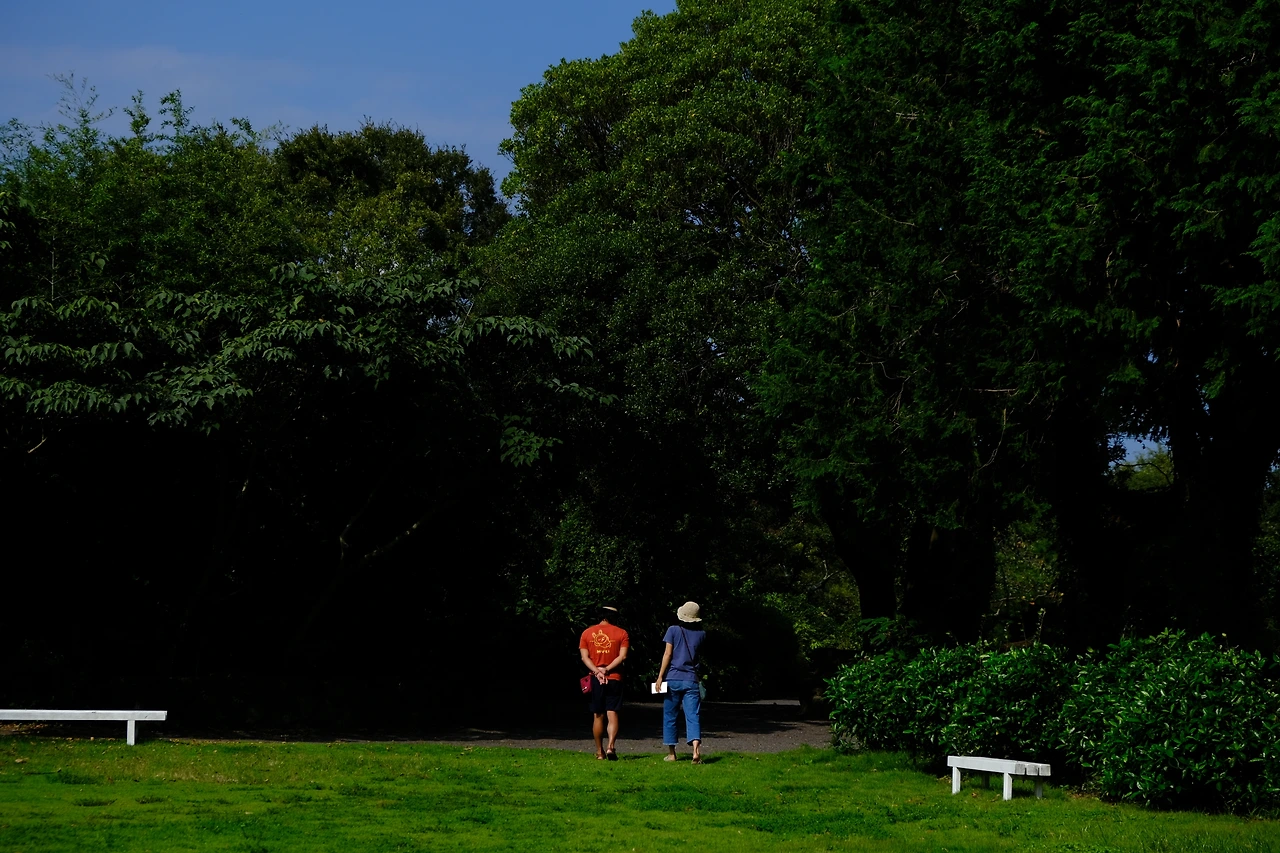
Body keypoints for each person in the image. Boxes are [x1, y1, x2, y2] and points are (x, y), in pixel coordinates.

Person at [654, 601, 706, 763]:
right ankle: (696, 751)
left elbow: (667, 654)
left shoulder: (673, 630)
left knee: (670, 716)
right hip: (691, 679)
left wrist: (660, 676)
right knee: (693, 716)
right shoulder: (701, 634)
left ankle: (672, 754)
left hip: (673, 678)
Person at [579, 604, 629, 760]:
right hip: (614, 678)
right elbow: (622, 656)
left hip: (595, 679)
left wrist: (597, 671)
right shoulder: (622, 633)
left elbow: (584, 657)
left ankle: (599, 751)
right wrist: (607, 669)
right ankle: (610, 746)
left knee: (598, 714)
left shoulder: (587, 633)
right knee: (612, 712)